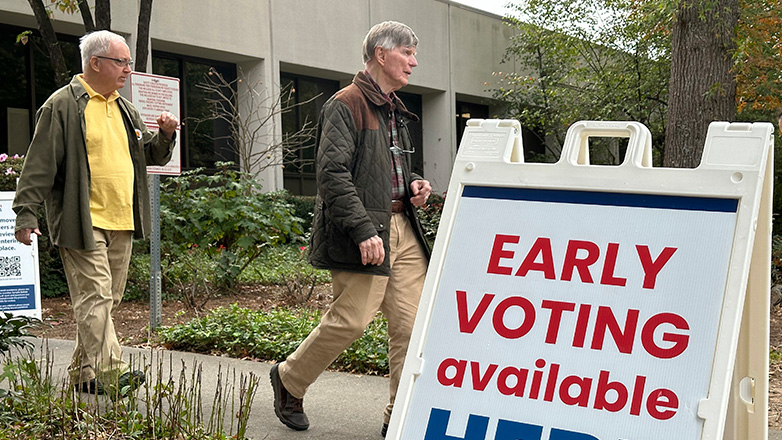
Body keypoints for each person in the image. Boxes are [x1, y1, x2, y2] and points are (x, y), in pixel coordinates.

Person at [270, 21, 432, 437]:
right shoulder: (346, 104)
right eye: (408, 53)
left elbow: (385, 168)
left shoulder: (395, 107)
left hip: (403, 228)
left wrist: (412, 182)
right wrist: (363, 230)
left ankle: (398, 415)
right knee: (351, 320)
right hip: (365, 231)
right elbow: (333, 174)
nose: (414, 61)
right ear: (382, 54)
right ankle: (290, 379)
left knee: (411, 327)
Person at [12, 30, 178, 396]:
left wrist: (165, 136)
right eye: (121, 62)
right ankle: (111, 372)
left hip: (122, 219)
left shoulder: (125, 108)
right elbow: (39, 165)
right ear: (95, 63)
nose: (128, 70)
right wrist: (26, 214)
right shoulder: (62, 106)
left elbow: (149, 156)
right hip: (81, 220)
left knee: (106, 300)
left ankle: (82, 373)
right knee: (96, 298)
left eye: (129, 63)